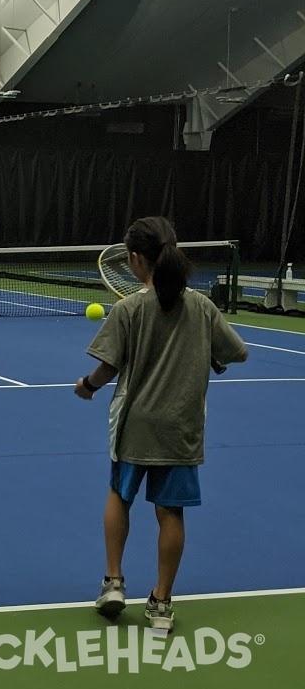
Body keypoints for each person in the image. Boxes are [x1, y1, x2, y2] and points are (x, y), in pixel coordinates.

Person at [74, 216, 247, 632]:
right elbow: (237, 353)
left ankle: (113, 583)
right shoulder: (202, 307)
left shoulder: (129, 308)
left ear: (135, 261)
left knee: (119, 494)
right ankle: (162, 602)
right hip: (181, 429)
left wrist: (87, 386)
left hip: (136, 423)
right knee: (171, 513)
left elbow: (108, 367)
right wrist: (206, 348)